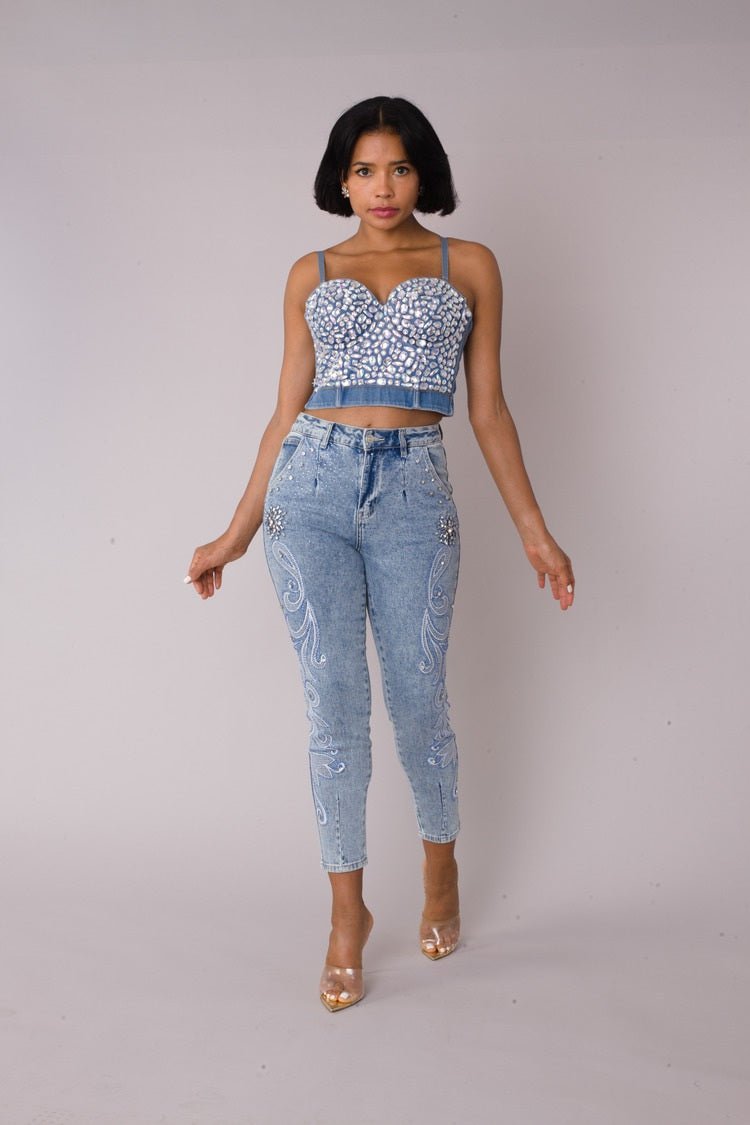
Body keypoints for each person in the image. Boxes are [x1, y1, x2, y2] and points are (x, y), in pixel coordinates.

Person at [186, 95, 575, 1013]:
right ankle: (346, 915)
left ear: (423, 171)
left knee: (418, 697)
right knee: (333, 705)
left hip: (413, 489)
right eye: (363, 169)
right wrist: (236, 532)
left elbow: (488, 409)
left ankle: (440, 873)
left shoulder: (467, 264)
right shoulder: (311, 272)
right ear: (342, 178)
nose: (382, 186)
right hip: (309, 490)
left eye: (398, 166)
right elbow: (284, 412)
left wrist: (535, 528)